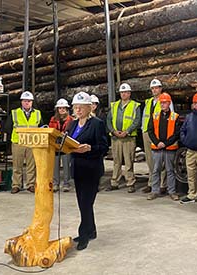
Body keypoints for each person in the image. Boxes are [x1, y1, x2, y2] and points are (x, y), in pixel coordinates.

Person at [68, 92, 108, 251]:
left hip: (91, 168)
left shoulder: (97, 124)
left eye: (80, 107)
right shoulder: (72, 124)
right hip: (78, 168)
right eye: (75, 107)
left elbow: (104, 147)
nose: (77, 110)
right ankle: (91, 230)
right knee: (82, 203)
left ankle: (83, 234)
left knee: (86, 203)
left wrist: (90, 148)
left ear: (88, 107)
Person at [5, 91, 43, 194]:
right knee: (17, 165)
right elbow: (8, 128)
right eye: (25, 101)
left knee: (31, 165)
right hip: (18, 143)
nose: (27, 103)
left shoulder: (37, 113)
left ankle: (30, 185)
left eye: (29, 101)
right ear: (21, 102)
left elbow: (41, 127)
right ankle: (16, 185)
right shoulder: (15, 113)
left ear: (32, 102)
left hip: (32, 143)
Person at [106, 83, 141, 193]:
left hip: (128, 138)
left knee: (128, 161)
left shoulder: (135, 105)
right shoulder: (115, 105)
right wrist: (113, 131)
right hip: (116, 138)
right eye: (122, 92)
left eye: (125, 92)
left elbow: (137, 121)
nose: (123, 94)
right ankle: (114, 182)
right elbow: (108, 120)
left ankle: (130, 182)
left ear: (129, 93)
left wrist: (127, 131)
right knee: (116, 161)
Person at [147, 92, 180, 201]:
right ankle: (154, 191)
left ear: (169, 103)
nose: (162, 105)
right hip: (157, 148)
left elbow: (176, 133)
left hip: (169, 148)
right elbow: (150, 131)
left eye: (164, 103)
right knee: (156, 170)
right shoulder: (154, 115)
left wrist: (165, 143)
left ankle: (172, 191)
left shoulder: (175, 117)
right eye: (161, 103)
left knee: (170, 170)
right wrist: (157, 143)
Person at [141, 79, 172, 194]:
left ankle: (162, 184)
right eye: (153, 88)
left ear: (161, 88)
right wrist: (143, 130)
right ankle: (151, 183)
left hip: (159, 134)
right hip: (147, 132)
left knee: (161, 160)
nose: (155, 90)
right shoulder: (148, 102)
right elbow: (145, 116)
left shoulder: (166, 100)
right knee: (150, 160)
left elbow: (171, 117)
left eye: (157, 88)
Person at [48, 98, 74, 192]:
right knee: (55, 165)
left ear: (67, 109)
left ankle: (66, 183)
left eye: (63, 108)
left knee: (67, 165)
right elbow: (51, 130)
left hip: (66, 145)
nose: (62, 110)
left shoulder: (71, 120)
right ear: (57, 110)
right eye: (60, 108)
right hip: (55, 145)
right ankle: (55, 184)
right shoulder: (53, 119)